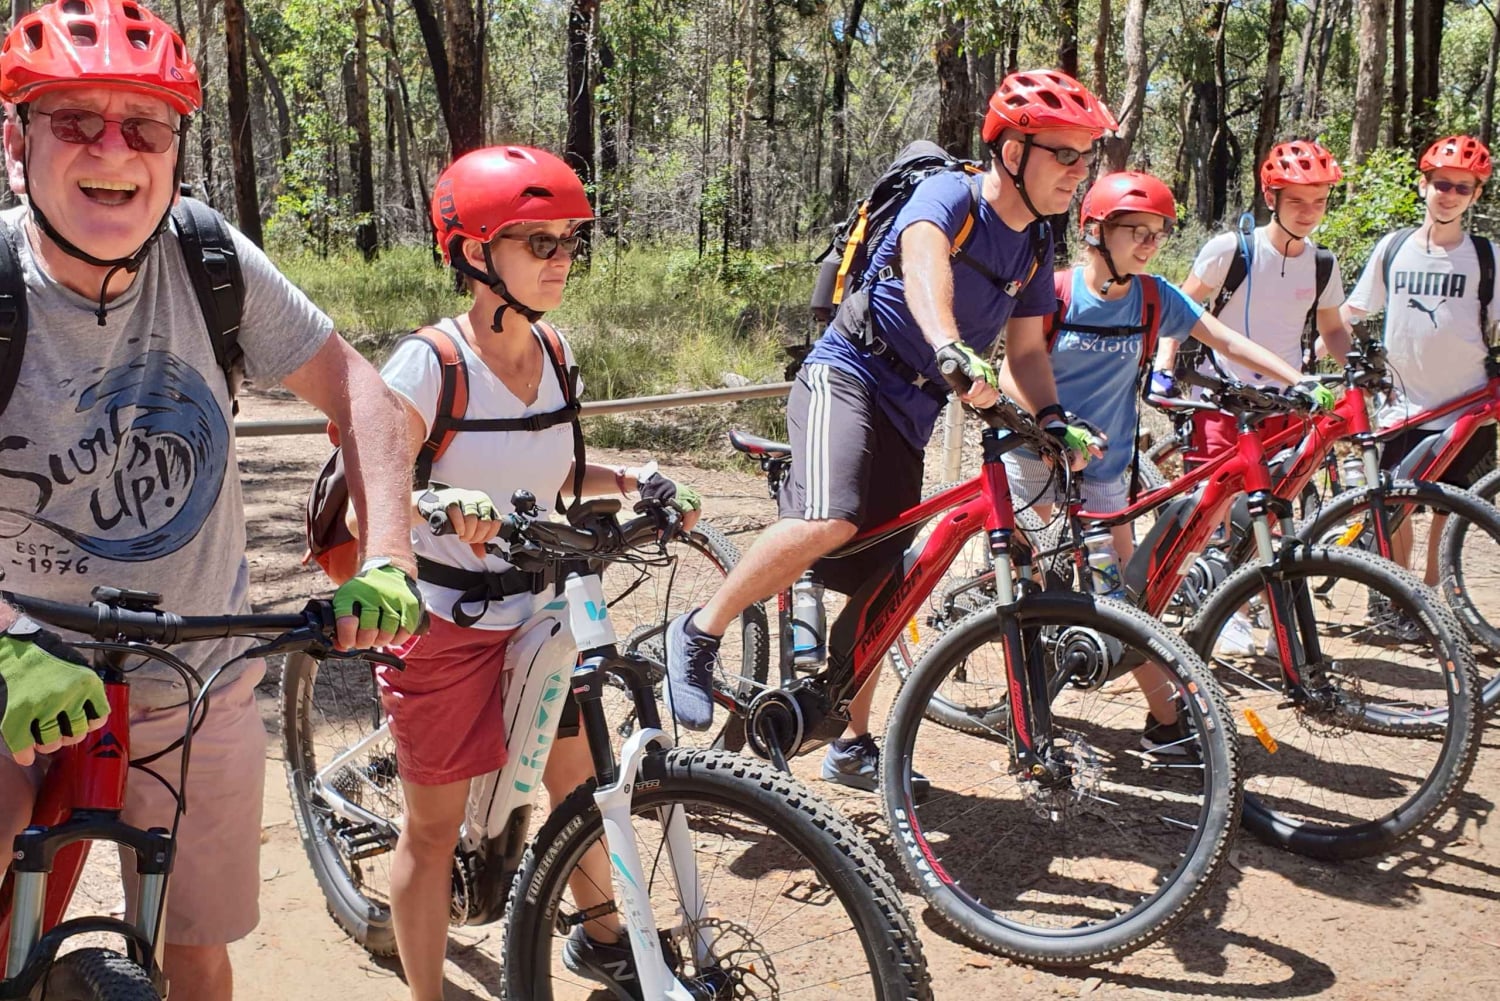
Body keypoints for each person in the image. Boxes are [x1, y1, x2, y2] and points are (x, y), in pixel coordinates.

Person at [0, 3, 423, 1000]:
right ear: (18, 140)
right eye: (76, 121)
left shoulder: (208, 258)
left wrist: (389, 556)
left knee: (197, 949)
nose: (115, 149)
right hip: (20, 663)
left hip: (197, 675)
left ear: (177, 146)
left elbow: (363, 392)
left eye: (144, 125)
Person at [662, 69, 1116, 791]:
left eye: (1086, 157)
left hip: (915, 410)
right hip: (847, 375)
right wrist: (949, 344)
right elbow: (921, 263)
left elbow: (1028, 351)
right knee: (829, 518)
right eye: (1064, 153)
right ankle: (697, 632)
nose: (1079, 171)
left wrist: (1053, 421)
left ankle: (851, 742)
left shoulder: (1036, 246)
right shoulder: (952, 195)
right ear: (1011, 151)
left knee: (885, 588)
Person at [378, 145, 701, 1001]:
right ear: (478, 254)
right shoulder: (430, 365)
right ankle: (427, 991)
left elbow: (553, 473)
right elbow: (376, 482)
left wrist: (634, 481)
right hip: (443, 620)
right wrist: (434, 502)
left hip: (536, 611)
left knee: (578, 782)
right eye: (537, 242)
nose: (561, 259)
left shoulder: (554, 350)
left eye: (568, 241)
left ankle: (602, 938)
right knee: (435, 828)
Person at [998, 170, 1333, 752]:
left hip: (1106, 468)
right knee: (1036, 584)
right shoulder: (1053, 292)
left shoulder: (1154, 297)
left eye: (1157, 233)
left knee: (1126, 598)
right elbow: (1013, 366)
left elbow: (1224, 339)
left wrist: (1299, 378)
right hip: (1034, 456)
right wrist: (1052, 426)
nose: (1150, 244)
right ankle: (1025, 712)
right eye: (1137, 232)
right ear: (1096, 232)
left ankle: (1165, 722)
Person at [1340, 134, 1497, 606]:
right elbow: (1352, 311)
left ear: (1476, 195)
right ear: (1423, 185)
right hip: (1399, 406)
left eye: (1462, 188)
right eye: (1441, 184)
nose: (1449, 195)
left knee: (1450, 508)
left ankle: (1433, 594)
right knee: (1395, 503)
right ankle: (1397, 593)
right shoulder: (1395, 248)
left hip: (1465, 406)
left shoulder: (1487, 258)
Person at [1153, 139, 1351, 463]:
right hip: (1220, 401)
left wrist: (1360, 372)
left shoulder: (1322, 264)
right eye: (1298, 201)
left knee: (1271, 510)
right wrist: (1163, 366)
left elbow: (1332, 331)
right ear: (1271, 197)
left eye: (1319, 201)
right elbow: (1178, 309)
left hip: (1286, 406)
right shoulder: (1230, 251)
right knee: (1212, 509)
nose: (1309, 212)